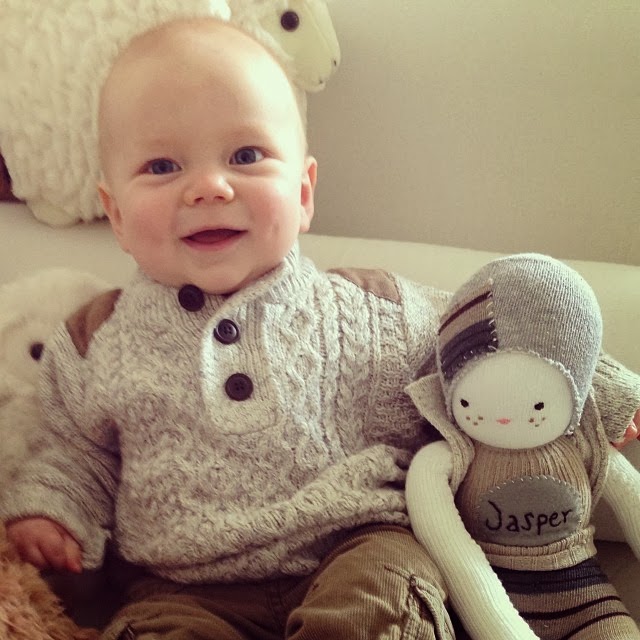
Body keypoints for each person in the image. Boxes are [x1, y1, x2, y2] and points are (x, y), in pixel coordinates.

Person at [1, 17, 638, 640]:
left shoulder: (369, 307)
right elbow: (74, 452)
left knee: (386, 600)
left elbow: (499, 333)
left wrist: (603, 390)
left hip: (356, 545)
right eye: (163, 166)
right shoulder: (96, 340)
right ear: (115, 213)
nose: (209, 187)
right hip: (181, 583)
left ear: (303, 193)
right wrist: (50, 513)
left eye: (245, 156)